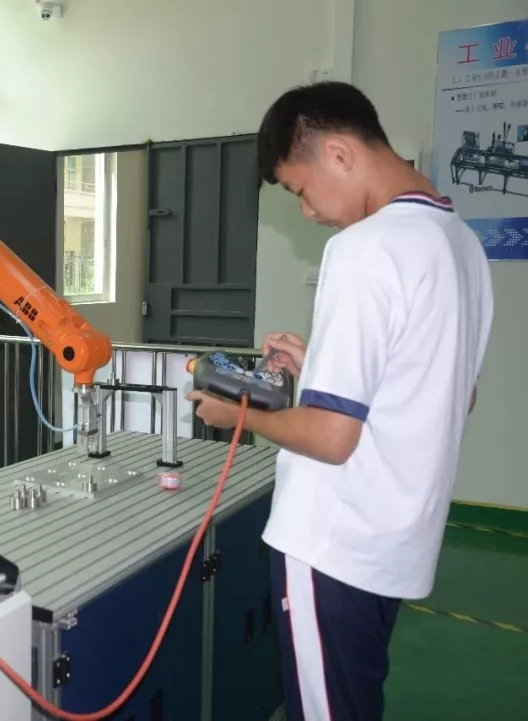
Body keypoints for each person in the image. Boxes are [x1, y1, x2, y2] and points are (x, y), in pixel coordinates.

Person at [185, 81, 493, 721]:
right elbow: (448, 395)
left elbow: (331, 438)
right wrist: (321, 365)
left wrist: (238, 413)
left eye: (300, 190)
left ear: (339, 154)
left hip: (333, 541)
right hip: (395, 540)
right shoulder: (460, 244)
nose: (307, 212)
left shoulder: (364, 249)